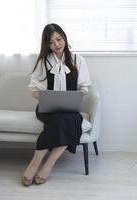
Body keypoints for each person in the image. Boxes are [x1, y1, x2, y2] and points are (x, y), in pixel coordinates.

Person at [22, 23, 91, 186]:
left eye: (59, 39)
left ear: (64, 37)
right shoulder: (44, 62)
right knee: (67, 120)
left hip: (69, 110)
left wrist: (78, 95)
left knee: (68, 119)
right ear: (46, 45)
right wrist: (44, 96)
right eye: (51, 43)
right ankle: (35, 164)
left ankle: (47, 164)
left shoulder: (78, 60)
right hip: (48, 109)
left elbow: (84, 87)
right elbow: (34, 89)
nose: (56, 45)